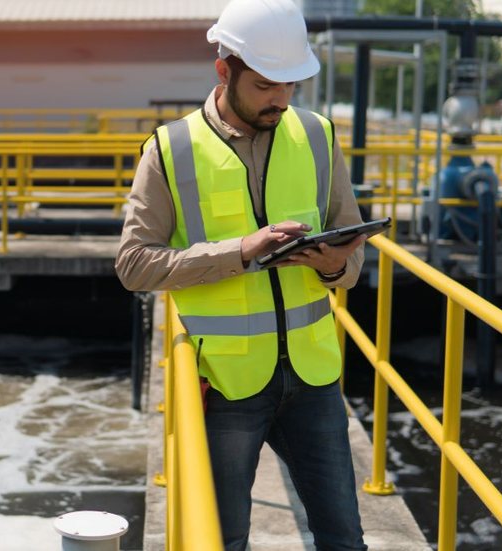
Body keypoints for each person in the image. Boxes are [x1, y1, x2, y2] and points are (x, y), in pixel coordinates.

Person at [115, 0, 368, 549]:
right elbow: (134, 266)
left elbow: (351, 248)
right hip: (228, 384)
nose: (280, 99)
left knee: (345, 538)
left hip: (314, 377)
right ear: (224, 71)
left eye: (291, 86)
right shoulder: (170, 150)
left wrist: (336, 266)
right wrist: (239, 251)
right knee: (222, 540)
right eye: (265, 85)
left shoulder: (319, 136)